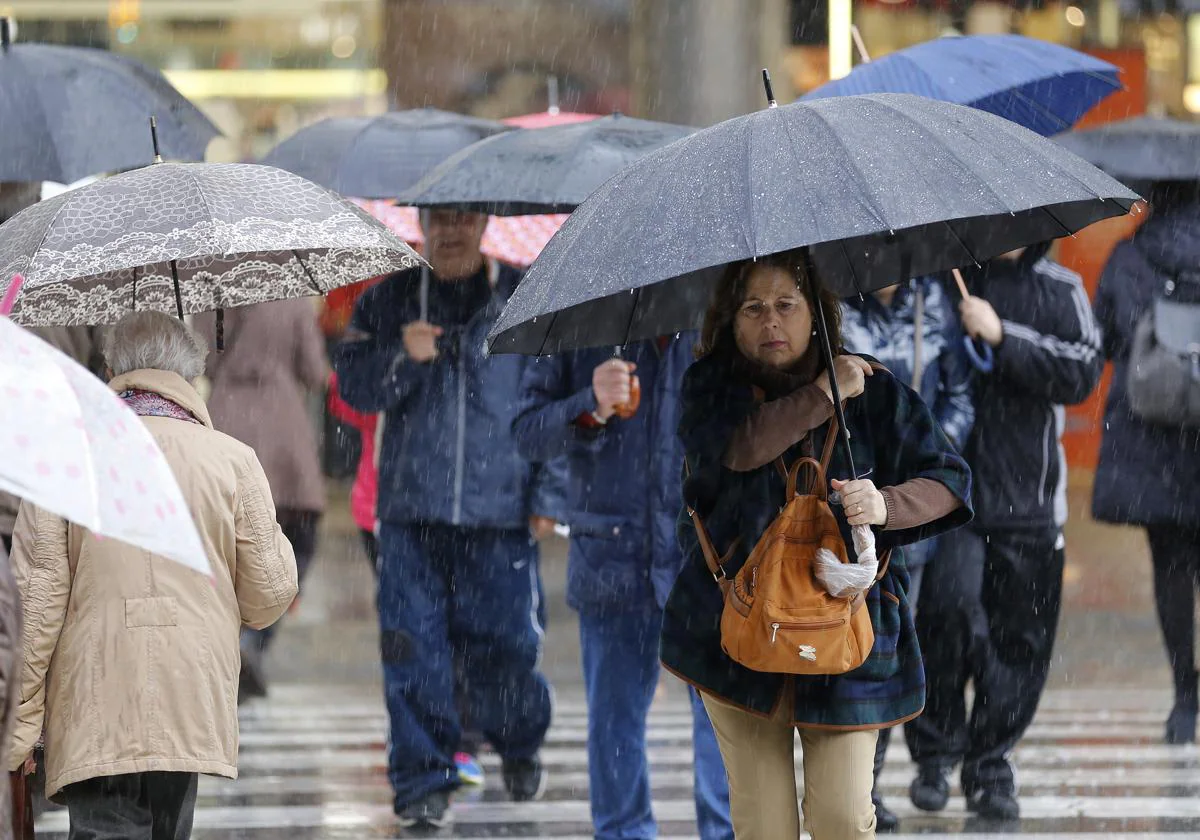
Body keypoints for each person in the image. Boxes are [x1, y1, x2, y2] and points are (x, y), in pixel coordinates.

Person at [663, 250, 972, 840]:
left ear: (817, 313)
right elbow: (739, 448)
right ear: (730, 318)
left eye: (786, 305)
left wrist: (886, 505)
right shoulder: (710, 388)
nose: (770, 322)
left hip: (849, 632)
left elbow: (951, 481)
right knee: (766, 827)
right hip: (737, 631)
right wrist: (823, 395)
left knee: (842, 820)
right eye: (753, 308)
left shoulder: (873, 389)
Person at [6, 311, 298, 839]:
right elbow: (269, 597)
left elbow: (34, 607)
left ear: (113, 368)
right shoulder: (232, 461)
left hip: (94, 702)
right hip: (190, 696)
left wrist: (18, 730)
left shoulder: (68, 459)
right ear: (189, 374)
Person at [334, 209, 564, 829]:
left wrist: (552, 490)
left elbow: (553, 400)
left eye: (464, 217)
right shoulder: (389, 299)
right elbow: (352, 388)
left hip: (502, 513)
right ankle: (422, 780)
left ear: (485, 219)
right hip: (411, 513)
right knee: (413, 649)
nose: (452, 230)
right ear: (424, 222)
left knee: (507, 650)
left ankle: (518, 742)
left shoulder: (526, 296)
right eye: (441, 219)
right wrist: (402, 356)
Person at [905, 242, 1103, 820]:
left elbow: (1083, 370)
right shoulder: (944, 281)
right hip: (953, 497)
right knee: (945, 616)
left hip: (1030, 501)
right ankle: (935, 755)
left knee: (1020, 644)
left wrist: (1003, 336)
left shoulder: (1060, 288)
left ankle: (990, 765)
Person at [513, 337, 734, 840]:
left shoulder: (717, 311)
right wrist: (587, 404)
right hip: (612, 556)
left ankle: (726, 834)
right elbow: (527, 434)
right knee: (615, 725)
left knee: (726, 726)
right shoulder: (585, 320)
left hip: (705, 558)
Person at [841, 277, 974, 830]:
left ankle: (882, 777)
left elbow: (960, 397)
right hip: (848, 507)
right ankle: (853, 786)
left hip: (910, 512)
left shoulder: (935, 300)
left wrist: (923, 451)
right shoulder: (834, 309)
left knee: (893, 646)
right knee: (854, 652)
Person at [1092, 183, 1200, 744]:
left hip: (1152, 440)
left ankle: (1186, 695)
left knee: (1173, 568)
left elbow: (1106, 339)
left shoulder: (1132, 254)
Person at [194, 299, 329, 703]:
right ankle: (255, 638)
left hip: (226, 416)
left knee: (223, 543)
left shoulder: (214, 295)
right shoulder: (293, 297)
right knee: (294, 539)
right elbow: (314, 371)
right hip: (283, 423)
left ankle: (228, 642)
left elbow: (205, 361)